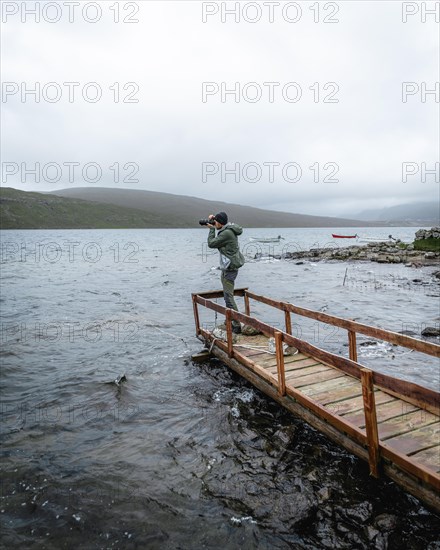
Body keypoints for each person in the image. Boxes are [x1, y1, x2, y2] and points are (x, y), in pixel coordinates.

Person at [206, 212, 245, 334]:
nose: (214, 223)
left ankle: (236, 324)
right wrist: (214, 222)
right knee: (227, 295)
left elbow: (211, 244)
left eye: (215, 222)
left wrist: (211, 229)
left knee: (228, 297)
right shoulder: (227, 229)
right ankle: (232, 319)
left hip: (230, 268)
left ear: (220, 223)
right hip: (228, 267)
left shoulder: (227, 233)